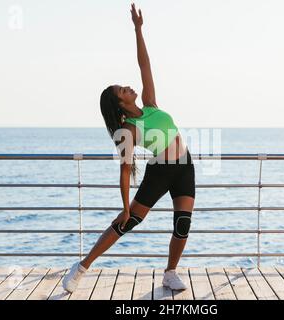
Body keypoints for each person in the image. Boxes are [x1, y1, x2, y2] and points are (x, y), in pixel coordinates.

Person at [63, 3, 195, 293]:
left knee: (182, 224)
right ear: (119, 103)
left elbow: (144, 65)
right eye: (123, 90)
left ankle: (170, 272)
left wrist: (138, 30)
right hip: (161, 170)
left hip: (185, 166)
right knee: (129, 221)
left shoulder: (150, 104)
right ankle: (81, 267)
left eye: (124, 86)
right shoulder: (128, 130)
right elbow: (125, 170)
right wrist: (124, 208)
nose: (128, 87)